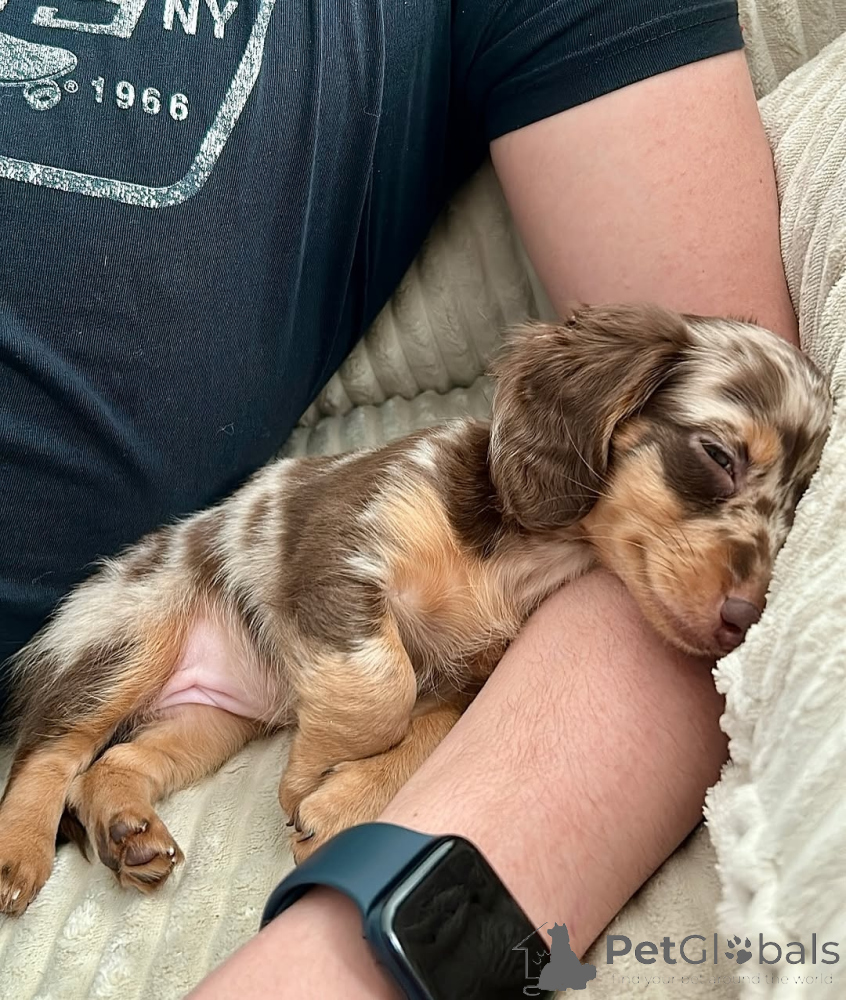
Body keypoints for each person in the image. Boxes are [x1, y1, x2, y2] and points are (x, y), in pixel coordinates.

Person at [1, 0, 799, 994]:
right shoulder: (445, 490)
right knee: (205, 660)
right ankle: (51, 778)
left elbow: (453, 701)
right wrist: (358, 723)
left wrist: (374, 871)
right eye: (717, 461)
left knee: (263, 712)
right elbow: (337, 585)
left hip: (240, 662)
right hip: (201, 588)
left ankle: (107, 781)